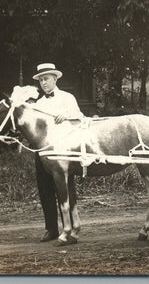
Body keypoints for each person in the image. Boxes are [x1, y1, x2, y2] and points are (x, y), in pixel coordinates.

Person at [32, 63, 84, 242]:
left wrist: (66, 115)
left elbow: (80, 118)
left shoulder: (67, 98)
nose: (43, 83)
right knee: (45, 189)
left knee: (64, 187)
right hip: (43, 151)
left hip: (64, 151)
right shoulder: (38, 103)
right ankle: (51, 229)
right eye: (40, 80)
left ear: (55, 79)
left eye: (46, 79)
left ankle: (68, 228)